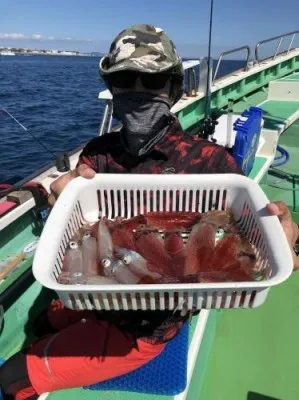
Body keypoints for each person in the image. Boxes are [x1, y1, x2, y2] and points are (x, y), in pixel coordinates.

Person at [1, 24, 298, 400]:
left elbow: (253, 233)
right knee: (41, 322)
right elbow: (77, 211)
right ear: (113, 87)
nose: (139, 91)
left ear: (172, 89)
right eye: (126, 79)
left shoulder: (210, 163)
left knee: (10, 377)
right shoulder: (99, 152)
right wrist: (61, 191)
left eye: (152, 80)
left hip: (142, 331)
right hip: (100, 299)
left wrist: (286, 237)